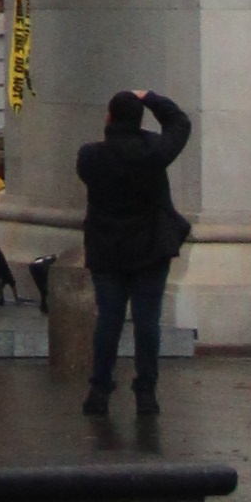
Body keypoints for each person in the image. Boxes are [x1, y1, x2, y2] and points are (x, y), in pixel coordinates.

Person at [75, 85, 192, 416]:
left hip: (107, 251)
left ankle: (99, 389)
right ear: (140, 120)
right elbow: (180, 123)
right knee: (147, 321)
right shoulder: (154, 152)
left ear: (109, 118)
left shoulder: (90, 157)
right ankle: (146, 392)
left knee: (108, 320)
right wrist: (150, 98)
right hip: (151, 249)